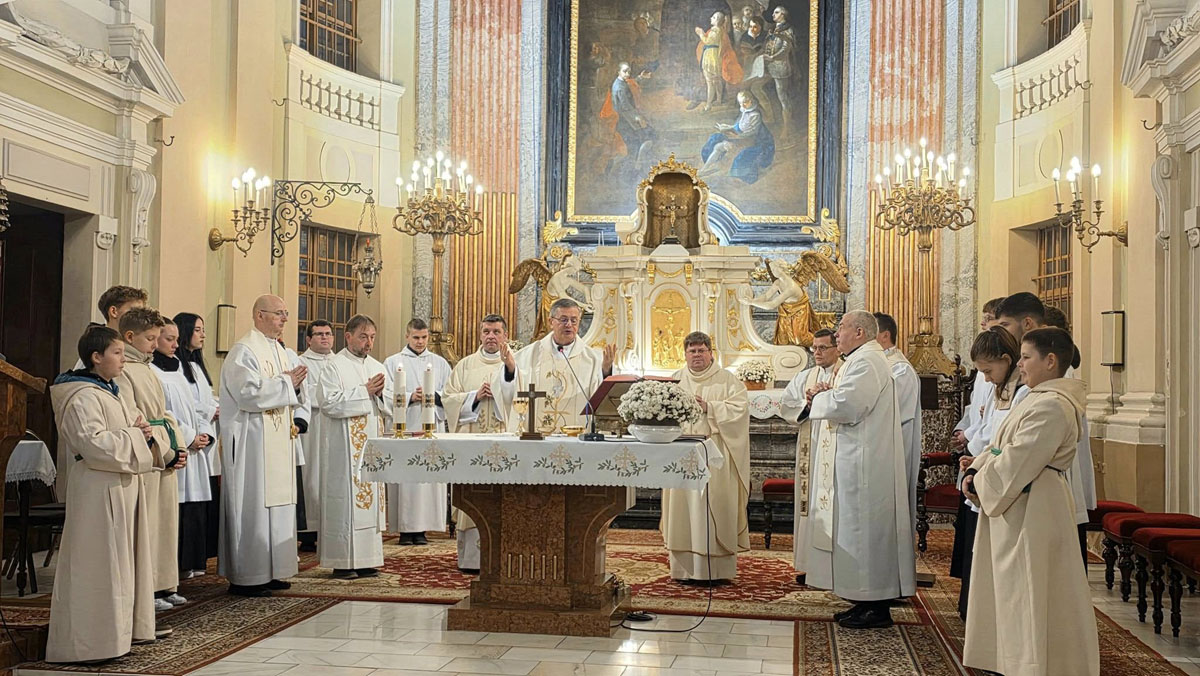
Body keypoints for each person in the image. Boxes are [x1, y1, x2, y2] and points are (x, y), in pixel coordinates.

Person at [962, 327, 1100, 676]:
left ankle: (1033, 664)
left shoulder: (1054, 405)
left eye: (1025, 357)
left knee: (1030, 588)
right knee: (1012, 590)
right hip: (1020, 500)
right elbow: (999, 446)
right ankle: (1010, 659)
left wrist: (979, 482)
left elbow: (1019, 458)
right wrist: (975, 469)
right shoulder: (1035, 398)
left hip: (1036, 505)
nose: (1019, 364)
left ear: (1050, 361)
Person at [46, 327, 164, 663]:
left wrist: (143, 431)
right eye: (117, 353)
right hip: (97, 489)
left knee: (120, 565)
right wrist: (135, 435)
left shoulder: (111, 391)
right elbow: (92, 444)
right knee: (98, 566)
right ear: (96, 357)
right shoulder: (81, 395)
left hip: (119, 485)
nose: (124, 360)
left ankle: (120, 635)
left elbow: (133, 426)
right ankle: (90, 643)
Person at [798, 310, 915, 629]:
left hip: (865, 462)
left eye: (842, 328)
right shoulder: (861, 359)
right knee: (856, 531)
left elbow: (849, 404)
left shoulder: (867, 361)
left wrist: (820, 398)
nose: (837, 334)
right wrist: (826, 395)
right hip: (857, 458)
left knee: (866, 532)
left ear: (860, 332)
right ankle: (863, 600)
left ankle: (876, 605)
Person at [994, 292, 1096, 562]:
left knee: (1046, 567)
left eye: (1004, 325)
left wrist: (983, 477)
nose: (1000, 332)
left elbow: (1027, 451)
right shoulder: (1036, 383)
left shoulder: (1056, 389)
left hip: (1043, 489)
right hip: (1029, 485)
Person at [218, 295, 306, 597]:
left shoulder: (279, 350)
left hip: (278, 441)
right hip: (252, 444)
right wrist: (287, 383)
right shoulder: (243, 351)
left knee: (278, 506)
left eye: (286, 313)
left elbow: (293, 391)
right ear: (259, 315)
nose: (284, 319)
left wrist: (294, 386)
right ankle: (248, 576)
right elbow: (248, 395)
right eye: (279, 313)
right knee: (253, 506)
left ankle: (272, 570)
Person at [661, 332, 750, 584]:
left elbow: (740, 410)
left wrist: (709, 407)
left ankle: (717, 571)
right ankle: (683, 570)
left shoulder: (728, 380)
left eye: (701, 350)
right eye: (692, 351)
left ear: (711, 353)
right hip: (681, 455)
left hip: (715, 456)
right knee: (683, 511)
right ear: (685, 354)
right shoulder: (675, 380)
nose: (697, 355)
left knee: (714, 506)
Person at [115, 308, 188, 612]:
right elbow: (133, 416)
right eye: (150, 338)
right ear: (130, 336)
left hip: (164, 450)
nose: (155, 345)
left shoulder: (146, 367)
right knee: (149, 525)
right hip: (150, 454)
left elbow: (164, 413)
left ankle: (164, 583)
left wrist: (178, 445)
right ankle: (148, 589)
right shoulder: (124, 369)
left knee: (165, 524)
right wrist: (164, 452)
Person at [955, 326, 1025, 619]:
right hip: (986, 474)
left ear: (1007, 360)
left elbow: (1010, 443)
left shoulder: (1022, 392)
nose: (985, 378)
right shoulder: (1002, 389)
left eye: (987, 370)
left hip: (1005, 484)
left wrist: (982, 462)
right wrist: (976, 461)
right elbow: (993, 436)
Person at [442, 314, 517, 573]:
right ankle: (472, 561)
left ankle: (505, 558)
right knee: (473, 496)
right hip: (472, 444)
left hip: (503, 443)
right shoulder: (465, 365)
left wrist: (504, 384)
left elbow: (522, 399)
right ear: (480, 334)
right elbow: (448, 399)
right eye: (486, 331)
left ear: (505, 336)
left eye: (496, 332)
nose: (491, 336)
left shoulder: (513, 364)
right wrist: (473, 397)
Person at [316, 315, 388, 578]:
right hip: (342, 451)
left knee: (370, 501)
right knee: (346, 501)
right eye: (363, 336)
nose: (368, 342)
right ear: (348, 336)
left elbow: (391, 404)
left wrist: (381, 395)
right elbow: (328, 403)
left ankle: (368, 559)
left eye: (372, 337)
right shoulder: (333, 366)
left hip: (371, 446)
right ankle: (343, 561)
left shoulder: (378, 366)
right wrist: (364, 391)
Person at [151, 318, 216, 582]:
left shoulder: (179, 367)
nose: (175, 345)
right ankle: (170, 571)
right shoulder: (151, 372)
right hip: (174, 447)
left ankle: (190, 562)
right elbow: (162, 414)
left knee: (194, 507)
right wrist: (188, 438)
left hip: (194, 447)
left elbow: (196, 406)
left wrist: (204, 434)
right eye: (170, 339)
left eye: (177, 339)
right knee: (174, 511)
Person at [949, 297, 1004, 581]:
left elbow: (996, 422)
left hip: (988, 461)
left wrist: (972, 440)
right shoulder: (990, 370)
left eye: (989, 318)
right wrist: (964, 433)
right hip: (977, 455)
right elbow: (975, 410)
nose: (983, 323)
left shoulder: (1010, 378)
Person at [383, 319, 451, 545]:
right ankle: (405, 529)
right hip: (406, 426)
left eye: (424, 337)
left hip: (431, 427)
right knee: (406, 479)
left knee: (426, 480)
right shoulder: (393, 362)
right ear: (407, 336)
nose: (420, 342)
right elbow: (385, 395)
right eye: (416, 337)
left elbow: (450, 394)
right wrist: (410, 396)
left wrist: (434, 395)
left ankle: (423, 529)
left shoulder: (440, 363)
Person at [778, 328, 838, 584]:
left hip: (835, 450)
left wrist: (825, 399)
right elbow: (786, 404)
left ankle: (833, 567)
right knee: (809, 505)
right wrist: (808, 404)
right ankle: (808, 565)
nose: (817, 353)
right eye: (815, 348)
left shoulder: (845, 373)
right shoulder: (805, 376)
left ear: (837, 348)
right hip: (811, 449)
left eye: (823, 347)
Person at [509, 298, 615, 434]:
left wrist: (606, 371)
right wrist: (509, 369)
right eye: (564, 320)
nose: (569, 324)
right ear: (551, 322)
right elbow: (509, 387)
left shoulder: (594, 359)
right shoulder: (529, 356)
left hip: (577, 438)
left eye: (574, 320)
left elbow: (602, 398)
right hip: (538, 438)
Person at [173, 312, 220, 564]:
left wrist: (212, 415)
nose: (203, 335)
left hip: (203, 435)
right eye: (198, 330)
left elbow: (205, 398)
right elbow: (187, 405)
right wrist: (210, 412)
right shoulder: (175, 368)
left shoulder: (197, 366)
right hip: (187, 438)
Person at [874, 312, 922, 532]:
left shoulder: (899, 369)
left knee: (888, 511)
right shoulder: (878, 364)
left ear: (885, 335)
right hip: (877, 445)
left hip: (891, 446)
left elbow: (892, 411)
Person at [297, 320, 336, 552]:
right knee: (311, 474)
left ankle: (331, 526)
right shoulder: (300, 362)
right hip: (311, 426)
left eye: (328, 334)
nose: (325, 338)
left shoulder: (340, 362)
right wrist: (327, 395)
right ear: (308, 339)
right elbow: (303, 394)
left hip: (333, 425)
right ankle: (309, 531)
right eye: (319, 334)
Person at [699, 91, 775, 183]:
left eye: (745, 102)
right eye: (740, 103)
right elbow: (739, 126)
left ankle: (714, 170)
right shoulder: (744, 112)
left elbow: (752, 132)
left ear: (751, 101)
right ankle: (705, 168)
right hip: (739, 138)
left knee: (721, 146)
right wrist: (727, 127)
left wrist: (737, 136)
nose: (742, 105)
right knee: (717, 144)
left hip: (749, 141)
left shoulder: (755, 115)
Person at [694, 11, 743, 112]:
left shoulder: (715, 30)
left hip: (710, 57)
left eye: (713, 17)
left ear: (717, 21)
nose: (711, 18)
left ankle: (708, 105)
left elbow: (707, 41)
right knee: (717, 80)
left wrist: (700, 33)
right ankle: (719, 100)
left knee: (710, 82)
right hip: (715, 56)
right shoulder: (720, 30)